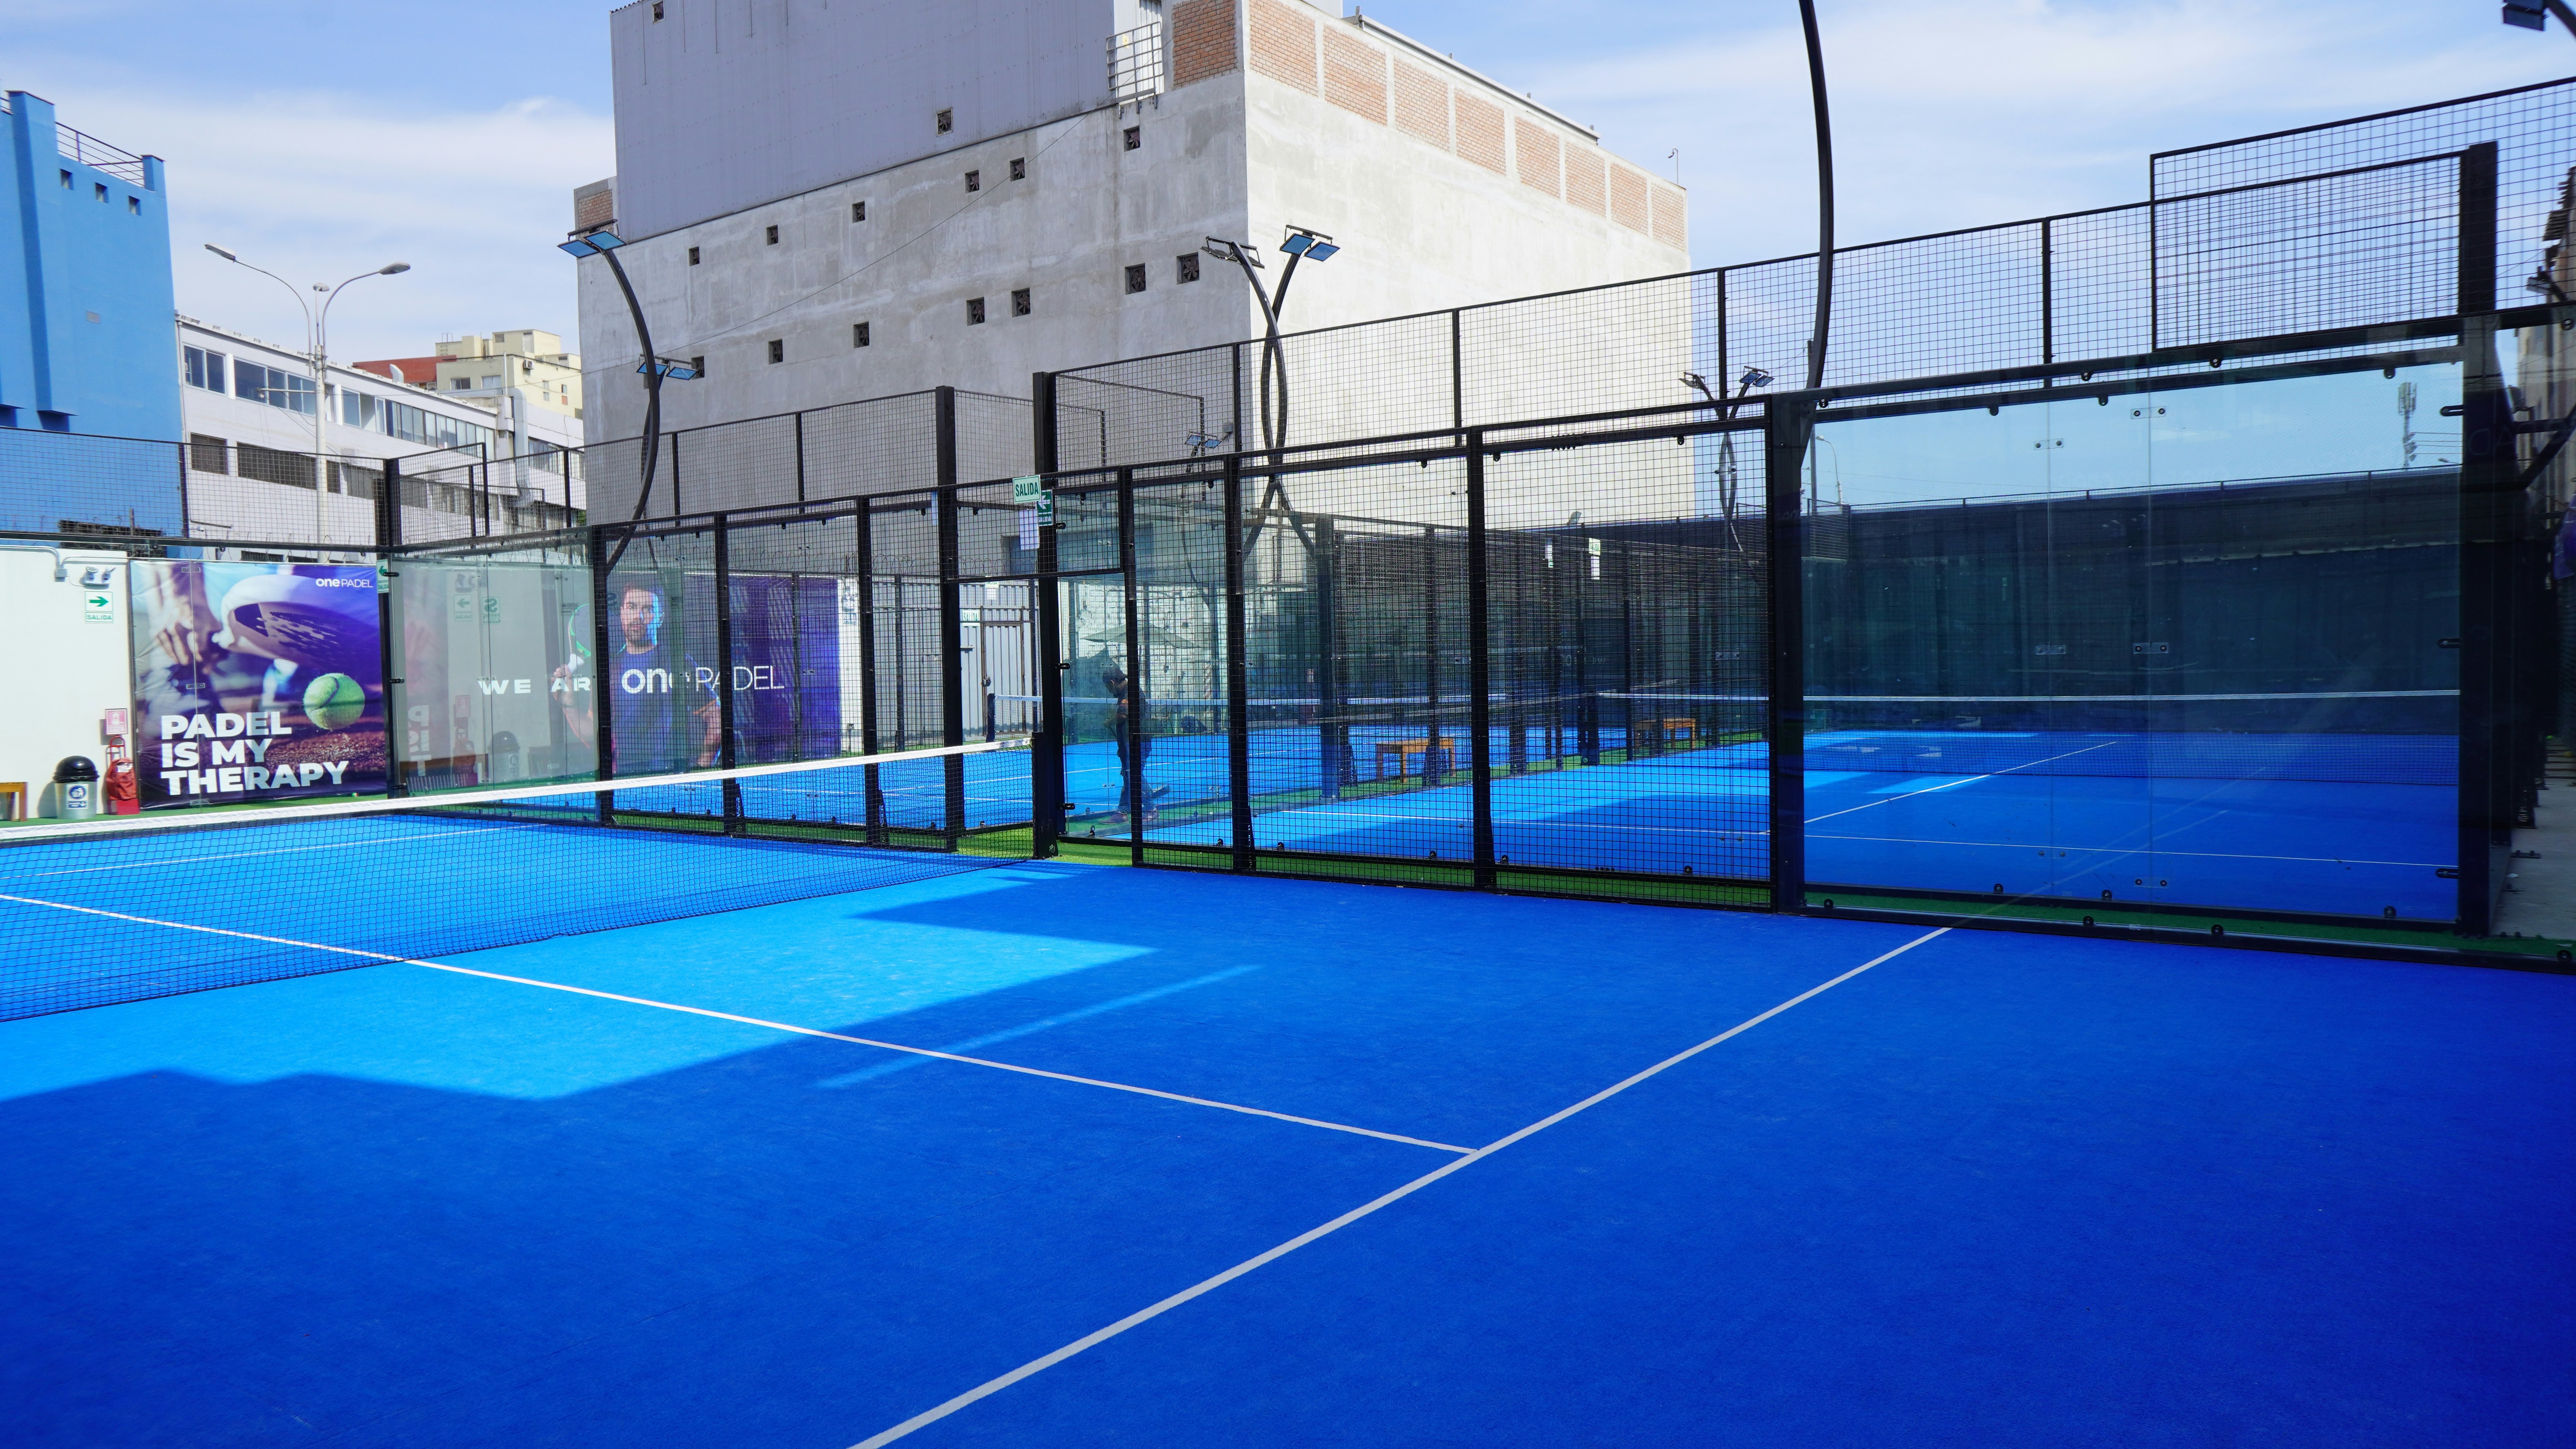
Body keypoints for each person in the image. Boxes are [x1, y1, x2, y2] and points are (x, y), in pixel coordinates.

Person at [558, 580, 719, 776]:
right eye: (631, 607)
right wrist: (570, 705)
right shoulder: (608, 668)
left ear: (660, 618)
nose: (638, 617)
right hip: (621, 780)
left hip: (672, 778)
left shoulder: (678, 663)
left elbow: (716, 719)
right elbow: (593, 733)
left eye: (648, 609)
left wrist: (701, 769)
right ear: (621, 614)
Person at [1100, 665, 1163, 826]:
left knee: (1134, 775)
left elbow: (1122, 716)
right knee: (1129, 776)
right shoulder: (1123, 693)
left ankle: (1151, 809)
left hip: (1138, 743)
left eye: (1108, 686)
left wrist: (1109, 721)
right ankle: (1123, 811)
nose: (1108, 690)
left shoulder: (1131, 692)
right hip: (1128, 743)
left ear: (1113, 682)